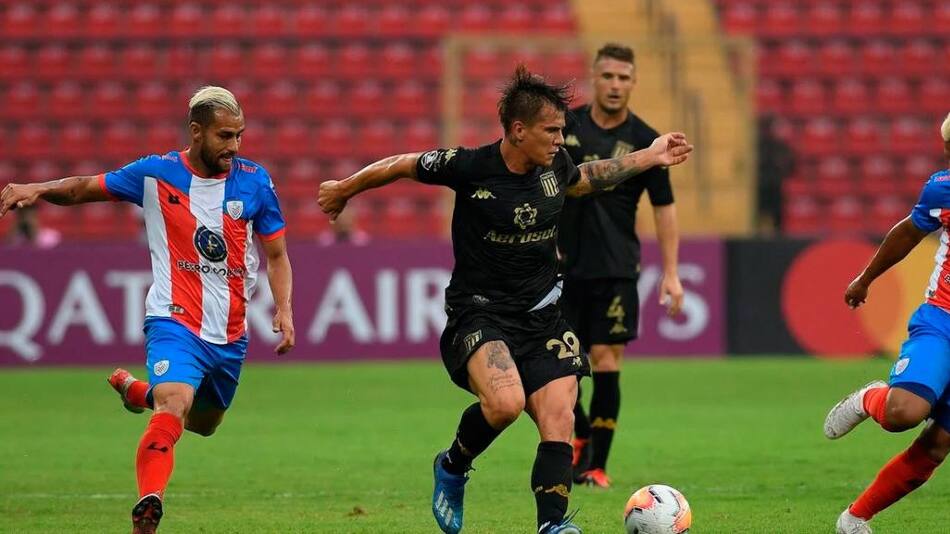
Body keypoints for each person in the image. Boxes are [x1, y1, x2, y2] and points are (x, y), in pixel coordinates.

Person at [318, 65, 692, 534]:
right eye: (551, 131)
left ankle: (552, 525)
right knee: (506, 404)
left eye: (561, 130)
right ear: (518, 130)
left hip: (543, 315)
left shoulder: (555, 166)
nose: (560, 140)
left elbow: (587, 177)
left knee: (559, 415)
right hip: (480, 314)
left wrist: (651, 155)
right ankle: (452, 466)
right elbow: (403, 163)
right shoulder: (470, 167)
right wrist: (345, 189)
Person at [0, 86, 295, 534]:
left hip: (230, 331)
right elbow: (84, 188)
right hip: (173, 318)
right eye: (224, 135)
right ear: (196, 132)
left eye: (239, 135)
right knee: (174, 403)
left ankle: (136, 390)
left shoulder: (255, 181)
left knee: (205, 423)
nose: (234, 146)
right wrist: (38, 188)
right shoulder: (155, 174)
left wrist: (284, 308)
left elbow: (276, 255)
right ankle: (149, 504)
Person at [558, 43, 684, 489]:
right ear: (594, 78)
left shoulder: (648, 141)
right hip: (560, 269)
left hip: (615, 269)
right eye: (608, 76)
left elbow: (664, 207)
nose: (615, 85)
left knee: (606, 360)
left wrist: (671, 272)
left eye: (623, 78)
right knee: (560, 365)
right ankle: (580, 432)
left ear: (633, 82)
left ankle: (596, 465)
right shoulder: (563, 127)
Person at [824, 112, 950, 534]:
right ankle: (871, 398)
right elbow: (909, 232)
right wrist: (865, 278)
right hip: (943, 320)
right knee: (902, 413)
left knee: (938, 445)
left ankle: (854, 519)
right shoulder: (943, 188)